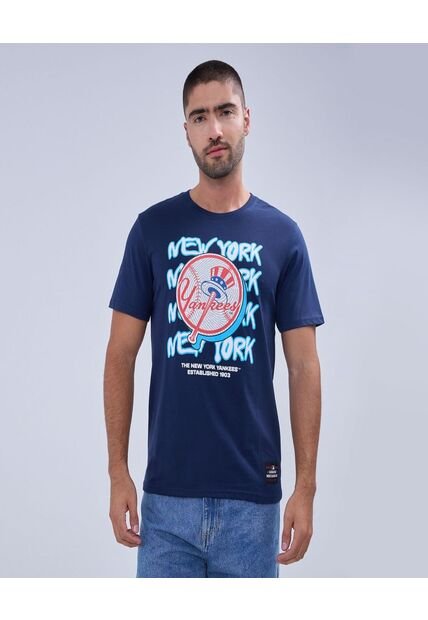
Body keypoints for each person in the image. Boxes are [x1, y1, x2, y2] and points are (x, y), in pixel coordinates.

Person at [103, 59, 325, 578]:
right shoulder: (152, 229)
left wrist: (306, 487)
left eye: (225, 112)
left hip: (253, 504)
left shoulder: (283, 237)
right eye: (200, 117)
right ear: (186, 131)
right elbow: (119, 354)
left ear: (246, 118)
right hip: (166, 503)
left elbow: (304, 368)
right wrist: (117, 472)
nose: (214, 130)